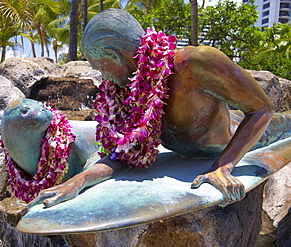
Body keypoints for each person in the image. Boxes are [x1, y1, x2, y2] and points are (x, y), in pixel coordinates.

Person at [30, 9, 291, 207]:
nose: (101, 76)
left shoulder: (195, 62)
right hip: (192, 146)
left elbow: (261, 109)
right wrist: (78, 181)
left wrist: (224, 166)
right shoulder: (125, 89)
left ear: (114, 56)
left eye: (99, 66)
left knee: (283, 123)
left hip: (231, 134)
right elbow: (125, 154)